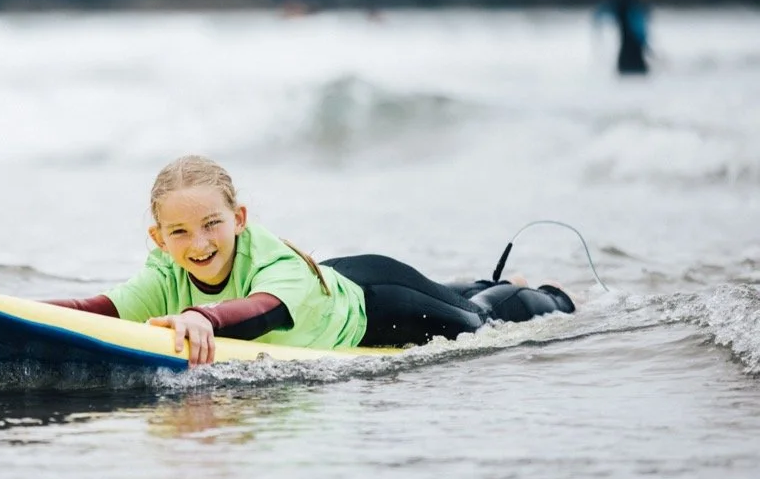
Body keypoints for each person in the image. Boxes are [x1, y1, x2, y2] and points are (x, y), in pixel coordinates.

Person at [48, 155, 574, 365]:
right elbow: (106, 308)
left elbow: (263, 311)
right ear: (159, 238)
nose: (199, 243)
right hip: (334, 285)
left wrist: (200, 317)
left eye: (212, 224)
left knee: (479, 318)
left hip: (382, 304)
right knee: (457, 292)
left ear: (240, 218)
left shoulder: (273, 262)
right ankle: (473, 282)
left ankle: (542, 292)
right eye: (180, 232)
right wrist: (15, 312)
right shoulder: (165, 270)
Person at [596, 0, 658, 75]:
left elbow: (600, 14)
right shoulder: (631, 4)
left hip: (628, 61)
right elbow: (638, 32)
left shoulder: (627, 2)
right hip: (632, 63)